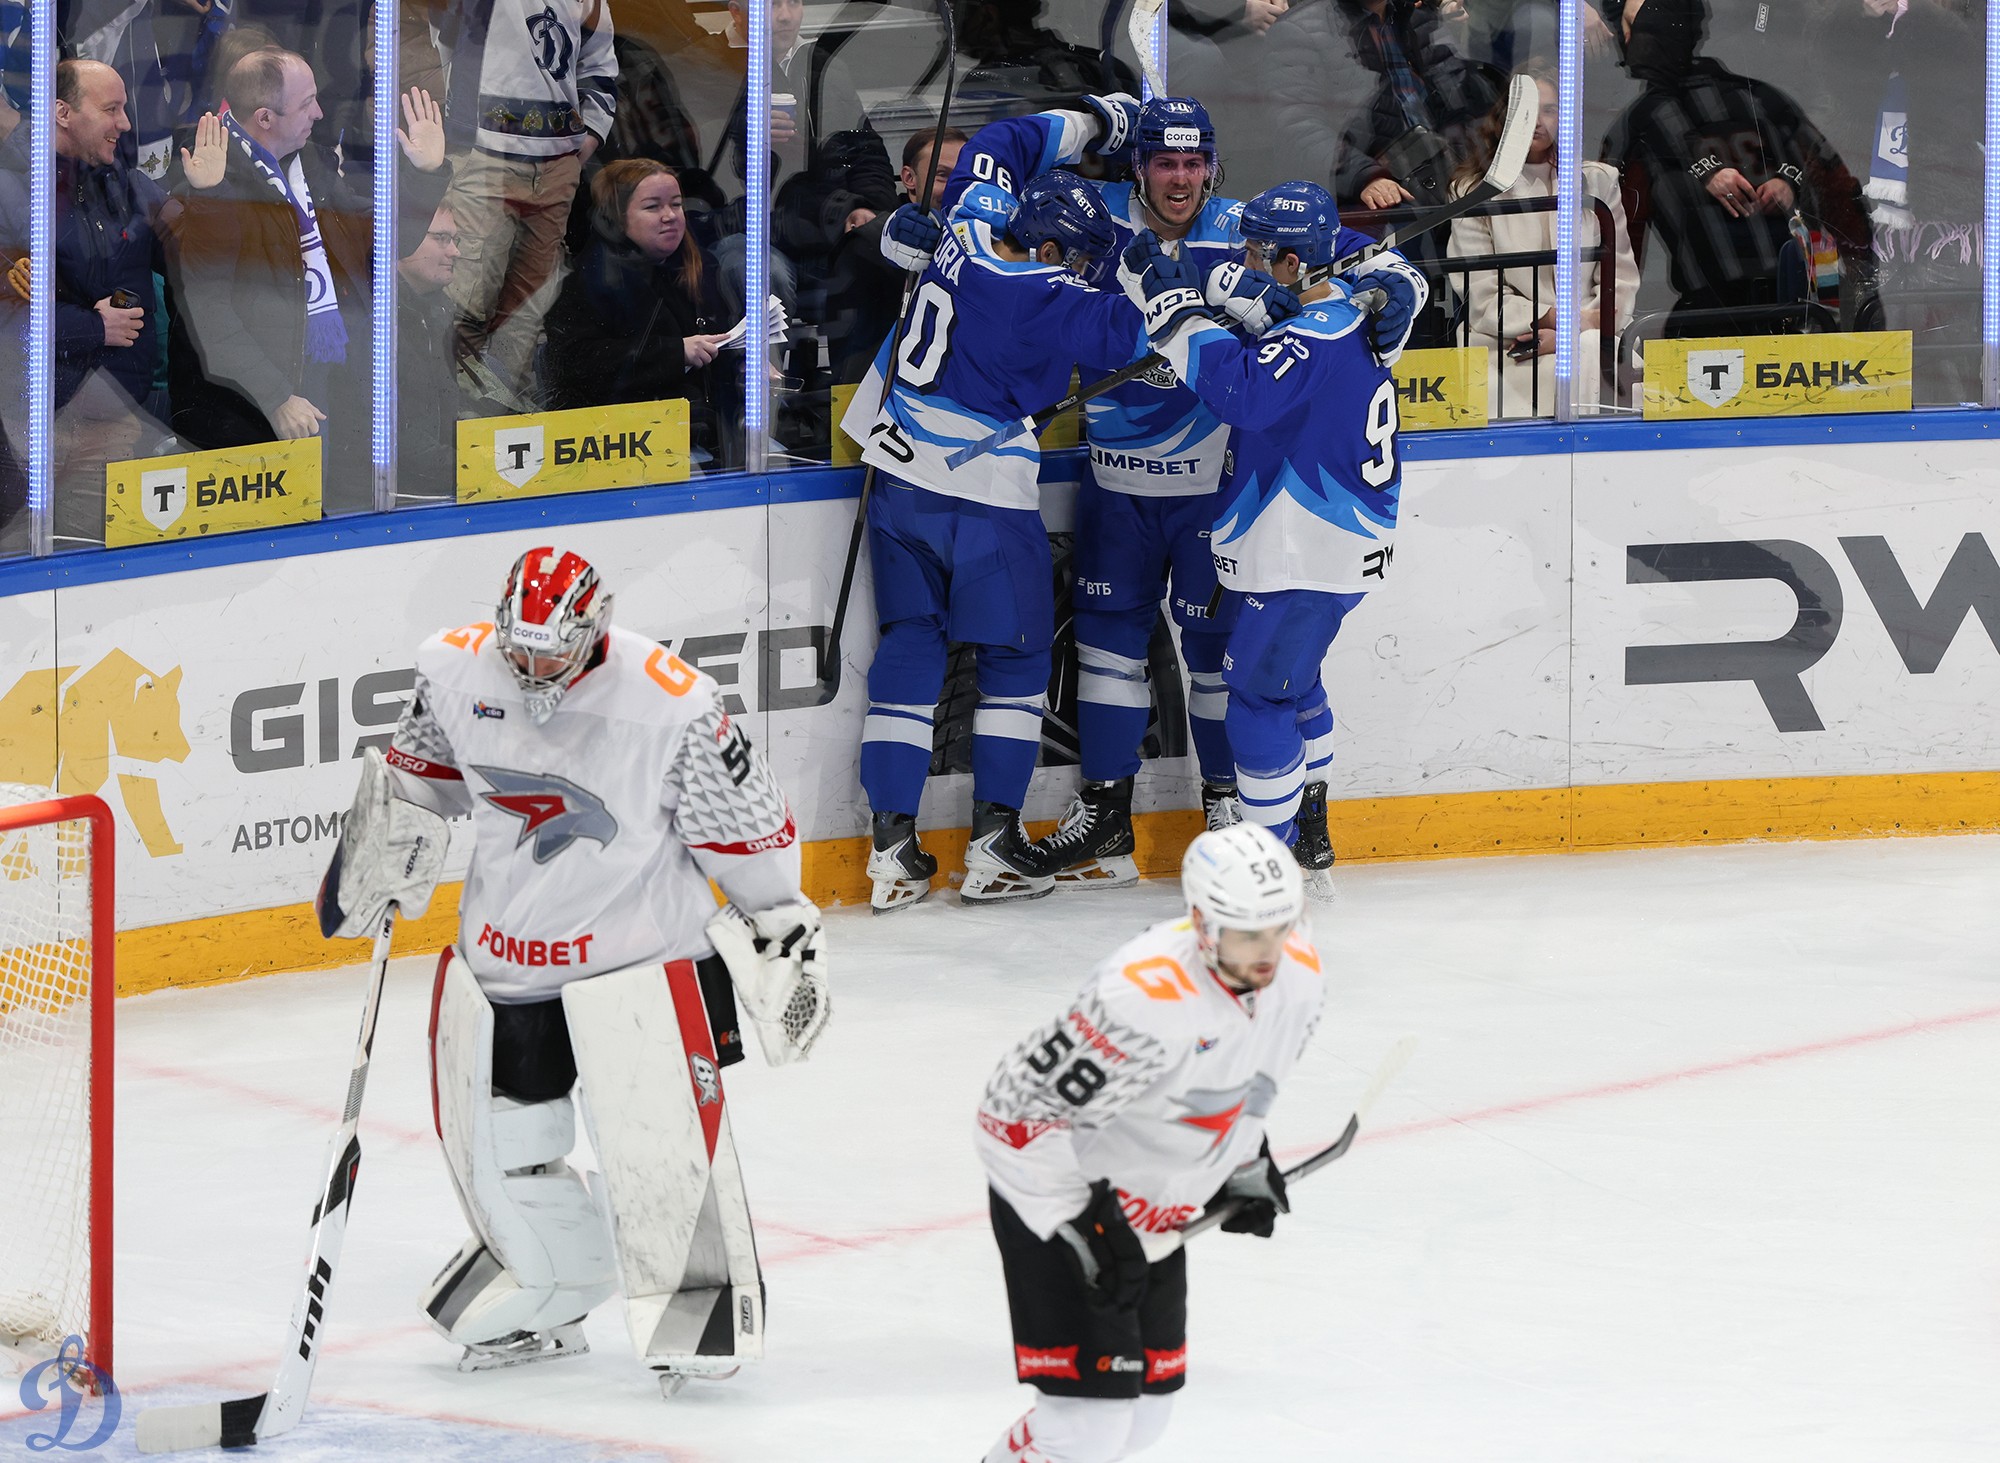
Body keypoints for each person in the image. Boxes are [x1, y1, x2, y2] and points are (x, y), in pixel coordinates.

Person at [314, 546, 829, 1394]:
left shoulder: (673, 702)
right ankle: (550, 1284)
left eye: (550, 654)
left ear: (595, 629)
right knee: (500, 1151)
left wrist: (781, 925)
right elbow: (419, 781)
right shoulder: (453, 670)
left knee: (663, 1158)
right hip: (507, 967)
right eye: (518, 651)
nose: (531, 670)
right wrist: (377, 845)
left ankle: (695, 1304)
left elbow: (748, 832)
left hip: (644, 967)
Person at [971, 96, 1423, 889]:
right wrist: (1089, 121)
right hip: (1117, 477)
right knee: (1107, 649)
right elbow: (996, 209)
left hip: (1215, 487)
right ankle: (1106, 812)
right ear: (1137, 165)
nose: (1179, 180)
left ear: (1211, 166)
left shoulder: (1250, 225)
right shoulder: (1089, 214)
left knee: (1219, 659)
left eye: (1192, 163)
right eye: (1163, 162)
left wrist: (1397, 282)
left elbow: (1353, 257)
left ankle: (1227, 805)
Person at [841, 99, 1151, 912]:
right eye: (1075, 258)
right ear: (1048, 248)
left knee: (910, 647)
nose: (1079, 270)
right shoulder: (1042, 291)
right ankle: (993, 844)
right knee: (1015, 661)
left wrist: (1100, 119)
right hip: (981, 497)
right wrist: (1162, 273)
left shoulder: (971, 216)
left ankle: (892, 850)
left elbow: (1000, 140)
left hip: (898, 480)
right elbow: (1135, 332)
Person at [975, 822, 1324, 1463]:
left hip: (1154, 1215)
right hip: (1060, 1207)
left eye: (1281, 927)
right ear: (1202, 923)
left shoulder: (1298, 973)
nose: (1269, 954)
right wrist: (1083, 1229)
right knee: (1084, 1432)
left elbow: (1249, 1079)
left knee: (1144, 1422)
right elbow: (1012, 1115)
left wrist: (1244, 1162)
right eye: (1248, 935)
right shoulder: (1142, 995)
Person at [1120, 181, 1409, 897]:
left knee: (1255, 694)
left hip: (1305, 551)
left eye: (1256, 253)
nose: (1246, 261)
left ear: (1290, 262)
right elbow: (1282, 337)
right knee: (1295, 680)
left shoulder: (1313, 336)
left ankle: (1264, 874)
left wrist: (1177, 312)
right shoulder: (1348, 312)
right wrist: (1240, 296)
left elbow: (1243, 392)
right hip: (1330, 548)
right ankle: (1309, 828)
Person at [163, 51, 448, 511]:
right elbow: (207, 312)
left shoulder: (309, 166)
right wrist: (275, 397)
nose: (319, 113)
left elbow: (375, 242)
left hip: (328, 386)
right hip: (252, 408)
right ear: (265, 118)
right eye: (307, 103)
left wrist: (422, 176)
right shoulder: (202, 176)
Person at [1599, 0, 1874, 341]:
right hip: (1712, 310)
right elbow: (1620, 227)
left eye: (1643, 28)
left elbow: (1830, 177)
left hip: (1794, 302)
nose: (1632, 40)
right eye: (1632, 28)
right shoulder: (1642, 123)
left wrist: (1790, 183)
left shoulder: (1763, 100)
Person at [0, 59, 169, 546]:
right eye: (112, 109)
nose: (126, 123)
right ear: (62, 112)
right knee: (30, 558)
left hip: (113, 422)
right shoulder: (10, 189)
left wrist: (211, 191)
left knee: (98, 566)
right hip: (33, 428)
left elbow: (200, 263)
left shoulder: (124, 183)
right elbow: (7, 314)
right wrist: (93, 328)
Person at [442, 0, 619, 395]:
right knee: (466, 304)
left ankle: (505, 413)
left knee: (524, 316)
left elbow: (599, 63)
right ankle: (457, 415)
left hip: (556, 164)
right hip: (483, 155)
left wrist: (583, 144)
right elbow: (442, 32)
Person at [1447, 69, 1636, 415]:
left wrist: (1574, 332)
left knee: (1596, 356)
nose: (1537, 121)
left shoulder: (1598, 180)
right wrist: (1551, 319)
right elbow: (1482, 297)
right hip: (1509, 342)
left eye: (1549, 110)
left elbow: (1620, 278)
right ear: (1504, 118)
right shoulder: (1472, 192)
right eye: (1527, 109)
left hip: (1592, 336)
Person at [544, 160, 740, 470]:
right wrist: (676, 353)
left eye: (676, 204)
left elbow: (719, 339)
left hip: (703, 436)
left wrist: (744, 362)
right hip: (619, 448)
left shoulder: (698, 267)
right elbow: (575, 363)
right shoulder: (592, 281)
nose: (670, 216)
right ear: (616, 218)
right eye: (652, 207)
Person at [824, 125, 968, 386]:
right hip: (888, 398)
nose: (955, 188)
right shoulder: (867, 245)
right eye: (942, 175)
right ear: (909, 178)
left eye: (963, 176)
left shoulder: (992, 245)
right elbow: (850, 360)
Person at [396, 205, 465, 500]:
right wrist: (472, 464)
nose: (455, 252)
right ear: (402, 240)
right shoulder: (376, 319)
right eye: (441, 238)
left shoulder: (441, 311)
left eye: (455, 240)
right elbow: (395, 436)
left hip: (443, 482)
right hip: (401, 496)